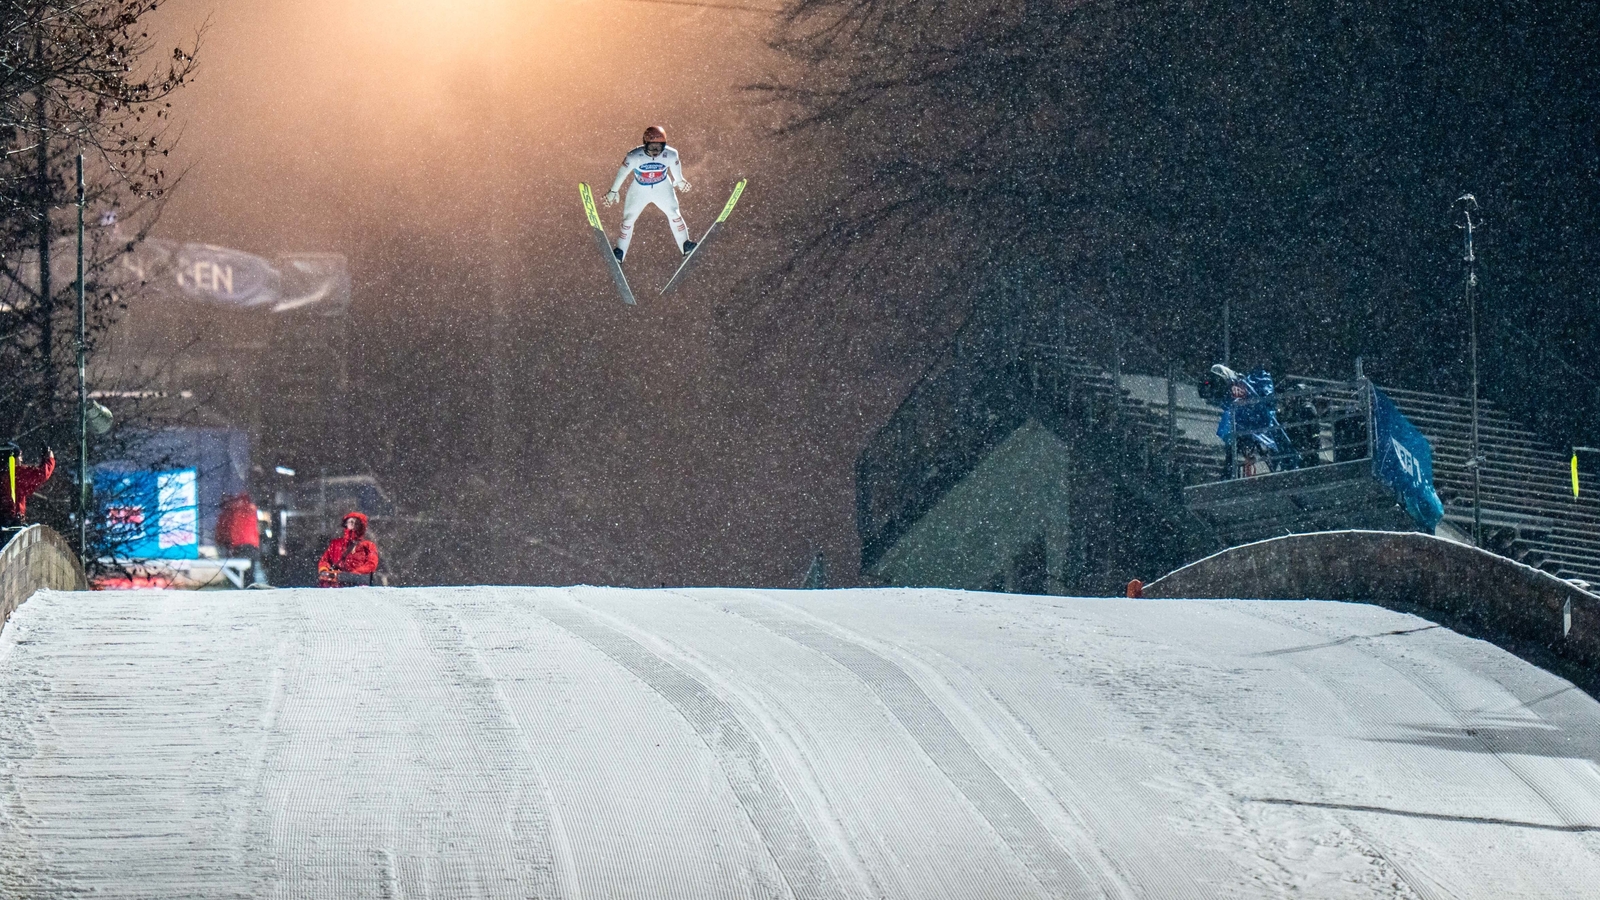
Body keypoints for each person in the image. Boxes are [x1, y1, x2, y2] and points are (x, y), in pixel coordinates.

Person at [603, 125, 695, 262]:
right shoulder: (633, 156)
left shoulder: (671, 154)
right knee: (628, 219)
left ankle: (685, 245)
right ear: (645, 144)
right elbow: (622, 174)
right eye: (652, 147)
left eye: (659, 147)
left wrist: (680, 181)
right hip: (639, 189)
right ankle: (620, 251)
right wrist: (613, 191)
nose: (655, 151)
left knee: (674, 214)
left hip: (662, 188)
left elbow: (677, 172)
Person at [216, 492, 267, 586]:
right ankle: (254, 587)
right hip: (252, 544)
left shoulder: (231, 513)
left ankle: (242, 588)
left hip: (239, 545)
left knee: (238, 571)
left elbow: (227, 531)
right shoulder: (252, 509)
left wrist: (226, 544)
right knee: (252, 569)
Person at [317, 511, 379, 587]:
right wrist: (324, 571)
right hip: (335, 586)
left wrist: (355, 574)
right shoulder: (335, 544)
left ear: (361, 525)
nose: (353, 524)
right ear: (346, 524)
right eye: (350, 521)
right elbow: (324, 560)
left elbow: (371, 564)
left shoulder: (368, 545)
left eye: (356, 522)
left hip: (359, 586)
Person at [2, 444, 55, 529]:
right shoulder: (16, 473)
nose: (21, 459)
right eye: (19, 456)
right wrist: (49, 460)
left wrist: (43, 461)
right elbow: (41, 474)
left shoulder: (4, 474)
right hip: (11, 523)